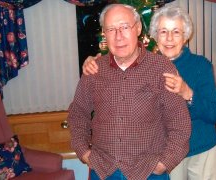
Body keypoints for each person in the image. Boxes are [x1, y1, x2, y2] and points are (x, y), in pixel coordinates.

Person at [83, 4, 216, 180]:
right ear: (155, 35)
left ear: (186, 36)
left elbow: (215, 114)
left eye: (176, 32)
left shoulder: (200, 65)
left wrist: (187, 93)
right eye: (163, 31)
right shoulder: (146, 64)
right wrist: (92, 61)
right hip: (167, 152)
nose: (169, 38)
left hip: (200, 149)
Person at [67, 4, 192, 180]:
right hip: (103, 170)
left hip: (148, 171)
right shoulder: (94, 70)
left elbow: (179, 121)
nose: (119, 36)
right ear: (104, 33)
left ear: (138, 28)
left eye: (125, 27)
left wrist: (164, 163)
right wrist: (83, 152)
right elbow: (78, 112)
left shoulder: (161, 68)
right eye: (111, 29)